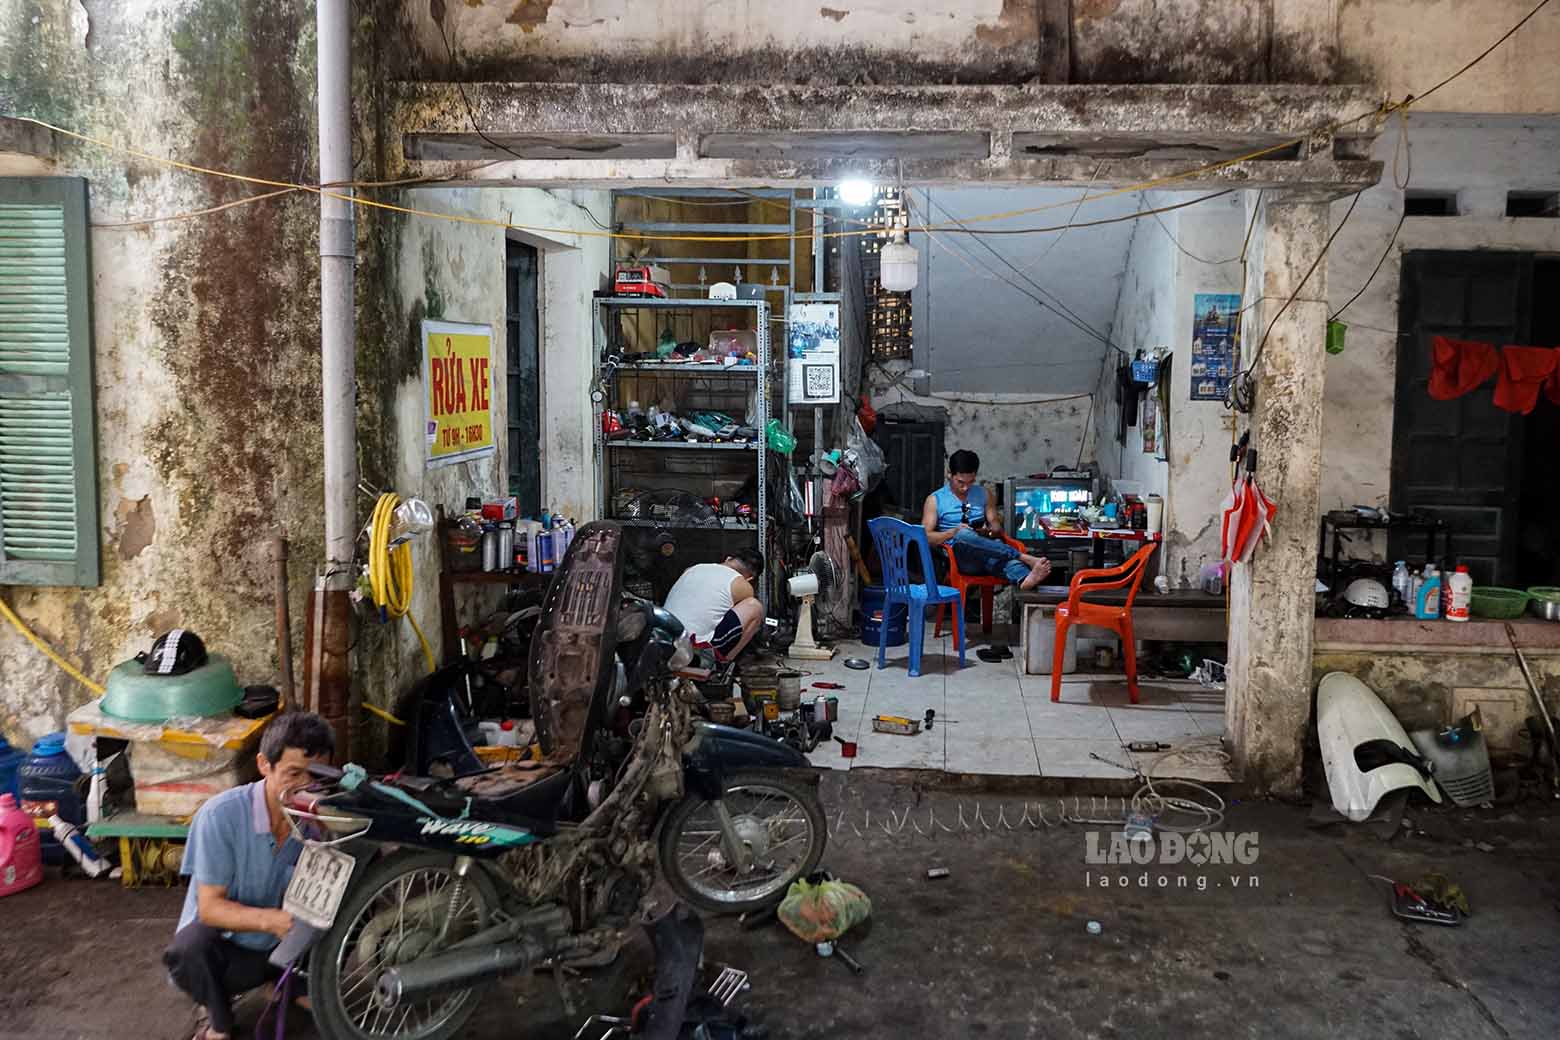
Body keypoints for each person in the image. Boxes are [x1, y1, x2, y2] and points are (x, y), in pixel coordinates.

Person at [164, 711, 336, 1040]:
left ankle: (289, 985)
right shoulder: (220, 816)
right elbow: (211, 909)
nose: (305, 786)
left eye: (316, 776)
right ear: (263, 765)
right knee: (189, 948)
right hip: (232, 952)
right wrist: (271, 921)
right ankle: (218, 1019)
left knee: (350, 893)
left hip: (285, 945)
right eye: (293, 773)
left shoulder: (319, 818)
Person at [922, 449, 1052, 590]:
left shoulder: (984, 494)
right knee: (963, 535)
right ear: (949, 474)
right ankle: (1023, 557)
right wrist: (952, 533)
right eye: (960, 482)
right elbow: (925, 536)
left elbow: (996, 528)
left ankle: (1024, 579)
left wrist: (989, 531)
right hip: (961, 558)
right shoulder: (935, 500)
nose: (965, 488)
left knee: (995, 554)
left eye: (971, 482)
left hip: (989, 551)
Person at [662, 548, 766, 662]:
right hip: (693, 649)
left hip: (663, 638)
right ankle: (722, 663)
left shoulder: (693, 568)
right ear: (750, 578)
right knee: (754, 606)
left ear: (728, 559)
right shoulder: (741, 584)